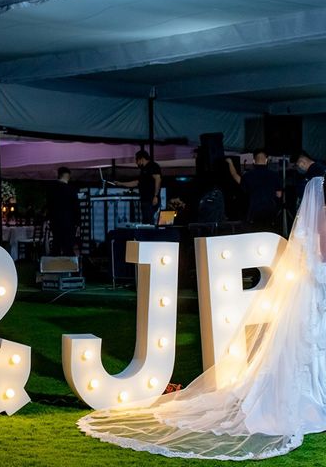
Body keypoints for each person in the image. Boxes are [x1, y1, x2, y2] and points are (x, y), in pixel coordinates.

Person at [78, 175, 326, 460]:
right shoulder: (321, 218)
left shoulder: (313, 218)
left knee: (309, 346)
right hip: (316, 289)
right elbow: (320, 257)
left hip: (312, 289)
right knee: (311, 346)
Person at [226, 150, 282, 232]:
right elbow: (279, 194)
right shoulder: (274, 175)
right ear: (266, 160)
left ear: (253, 161)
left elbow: (235, 176)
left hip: (253, 213)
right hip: (270, 212)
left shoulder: (248, 175)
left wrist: (230, 163)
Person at [114, 151, 162, 224]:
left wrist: (155, 196)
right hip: (145, 200)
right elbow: (137, 182)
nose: (136, 163)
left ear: (142, 159)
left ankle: (151, 234)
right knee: (146, 221)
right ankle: (147, 234)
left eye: (137, 160)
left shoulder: (153, 166)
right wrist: (121, 183)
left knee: (149, 221)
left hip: (150, 199)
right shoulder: (143, 170)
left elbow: (158, 179)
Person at [47, 166, 80, 256]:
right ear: (67, 176)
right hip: (69, 222)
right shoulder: (70, 190)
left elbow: (49, 205)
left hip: (55, 221)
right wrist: (77, 222)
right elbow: (76, 207)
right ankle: (70, 265)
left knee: (56, 243)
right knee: (68, 246)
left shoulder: (52, 189)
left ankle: (54, 265)